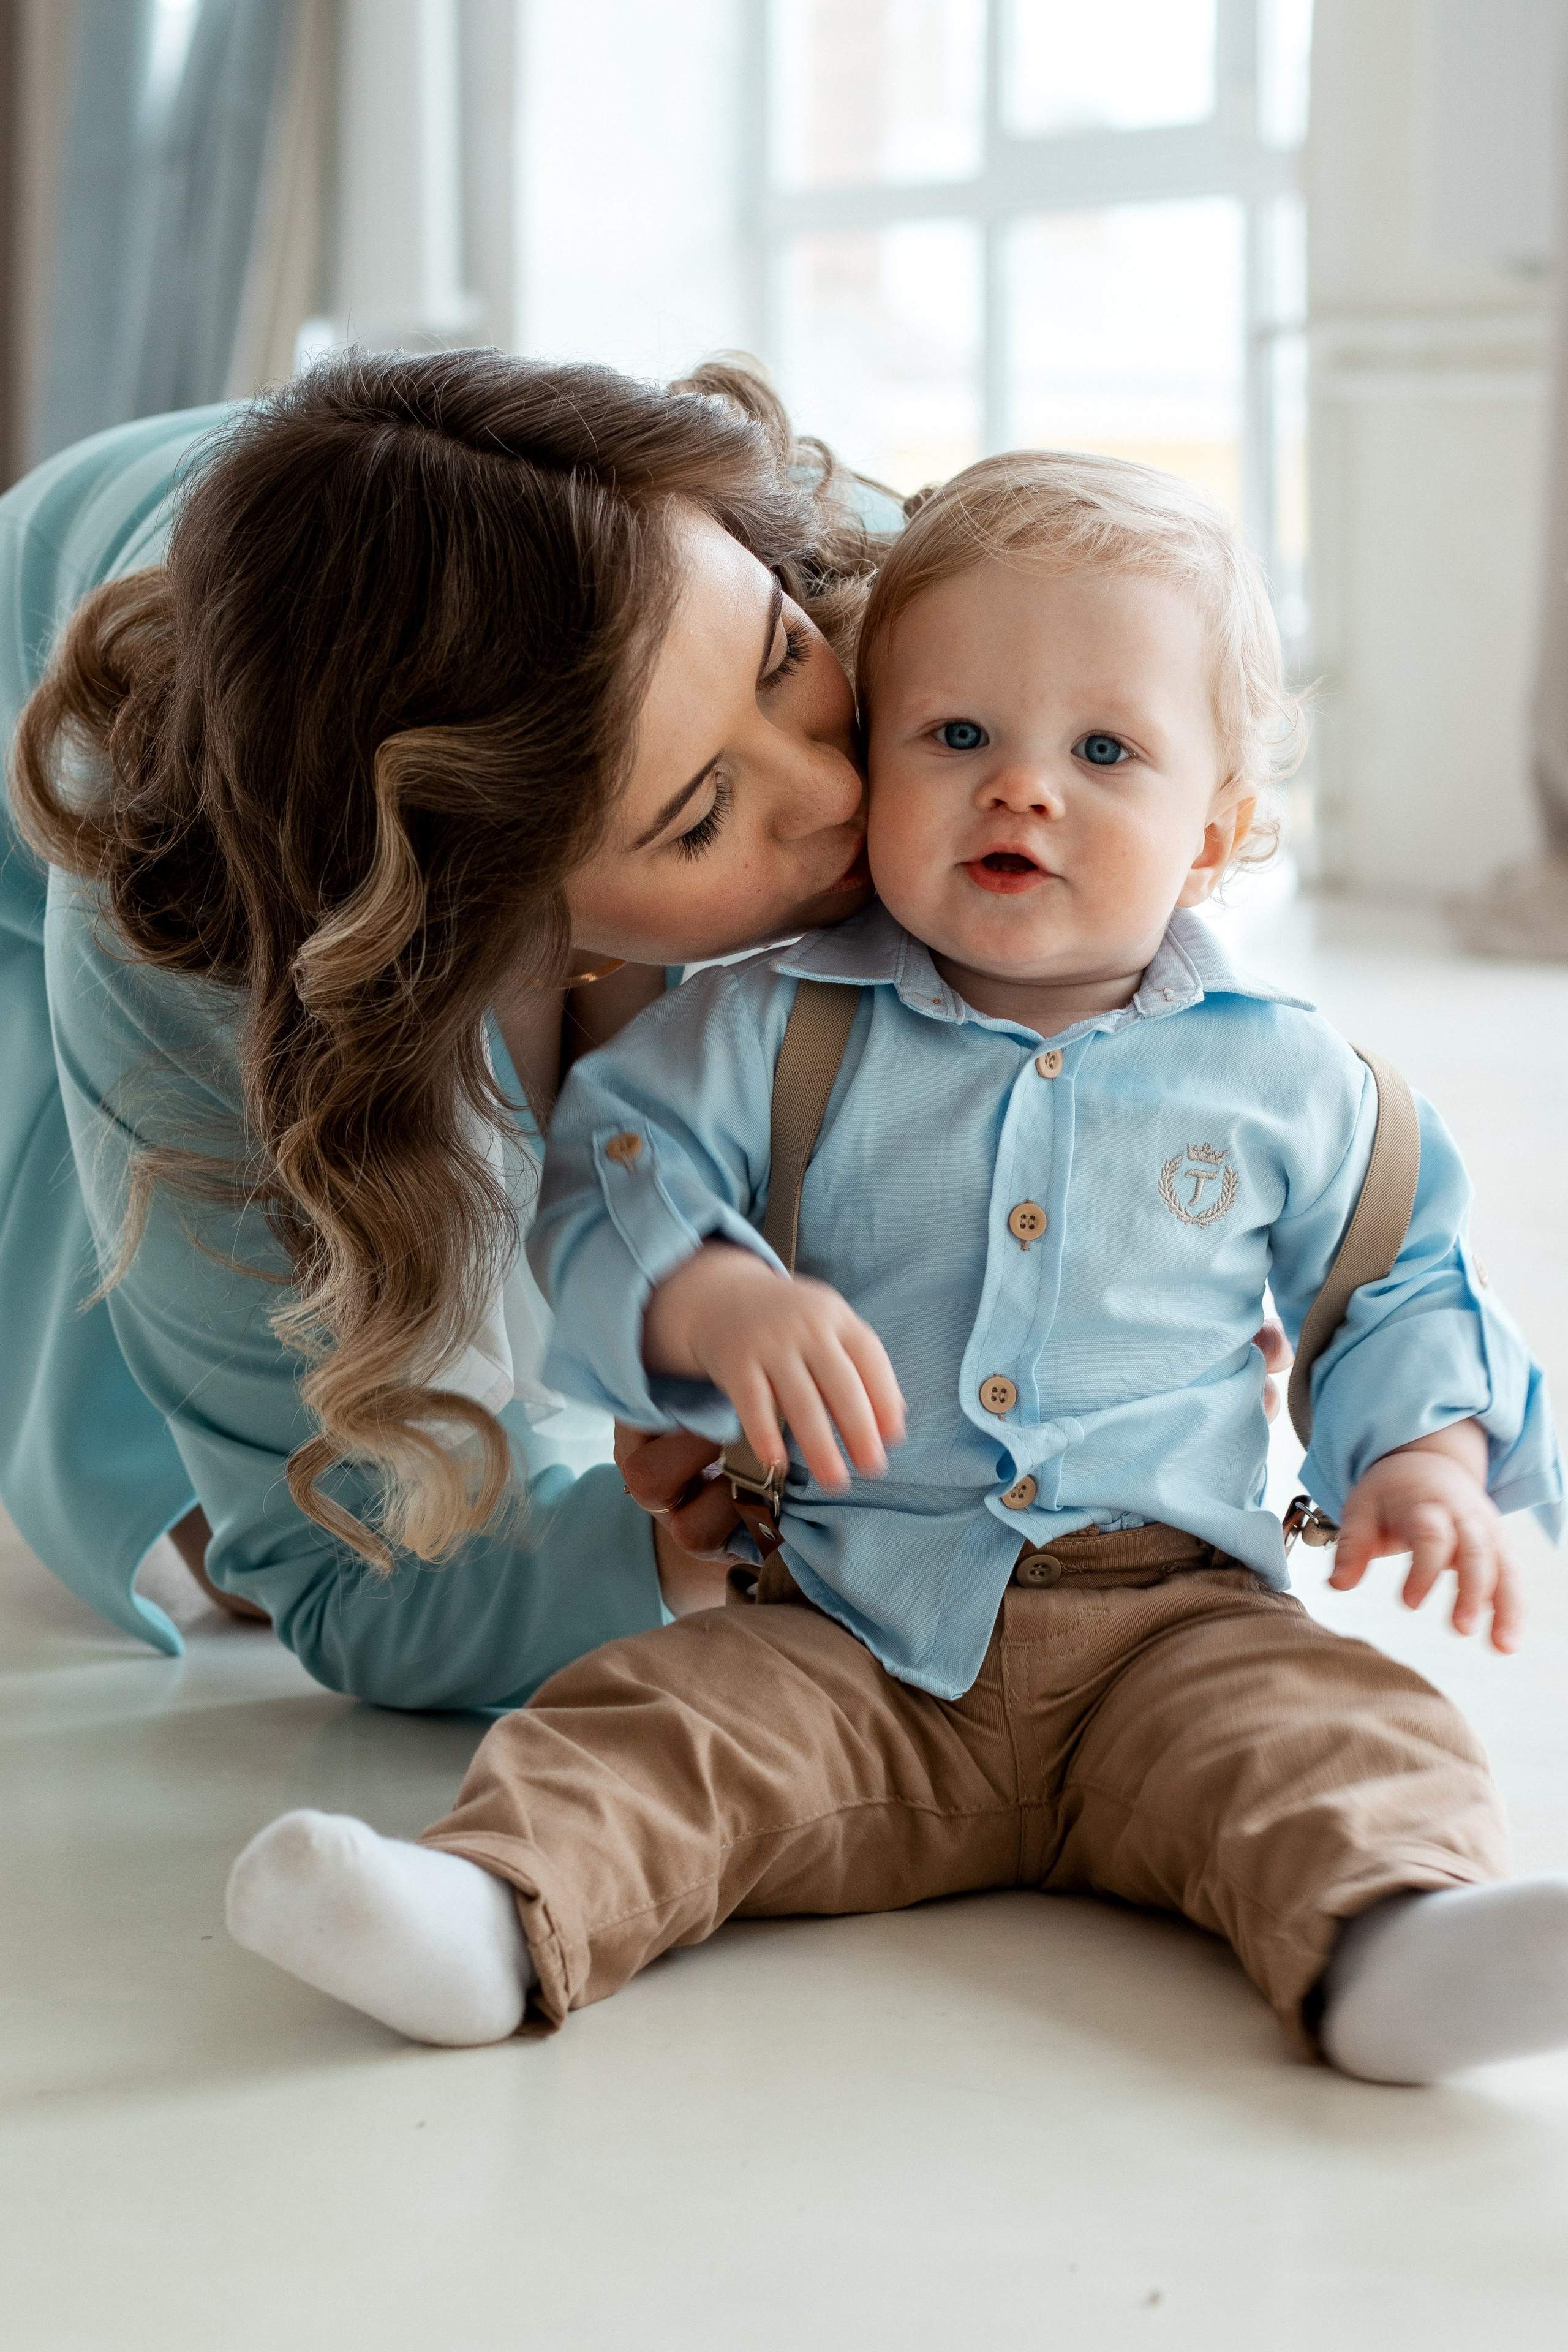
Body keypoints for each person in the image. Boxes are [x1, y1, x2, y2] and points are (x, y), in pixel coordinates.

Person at [225, 448, 1567, 2086]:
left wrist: (1428, 1460)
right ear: (874, 756)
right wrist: (713, 1302)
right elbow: (603, 1195)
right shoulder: (766, 1028)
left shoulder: (1295, 1083)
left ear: (1216, 832)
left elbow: (1398, 1285)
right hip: (846, 1624)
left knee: (1353, 1738)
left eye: (1103, 750)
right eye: (956, 737)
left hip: (1174, 1628)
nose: (1023, 789)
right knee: (647, 1733)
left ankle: (1396, 1947)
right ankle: (492, 1916)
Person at [1, 350, 891, 1699]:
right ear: (488, 923)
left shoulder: (818, 568)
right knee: (274, 1502)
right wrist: (718, 1549)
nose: (837, 791)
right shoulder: (191, 951)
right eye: (696, 816)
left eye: (783, 660)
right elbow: (343, 1569)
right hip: (116, 795)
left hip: (363, 544)